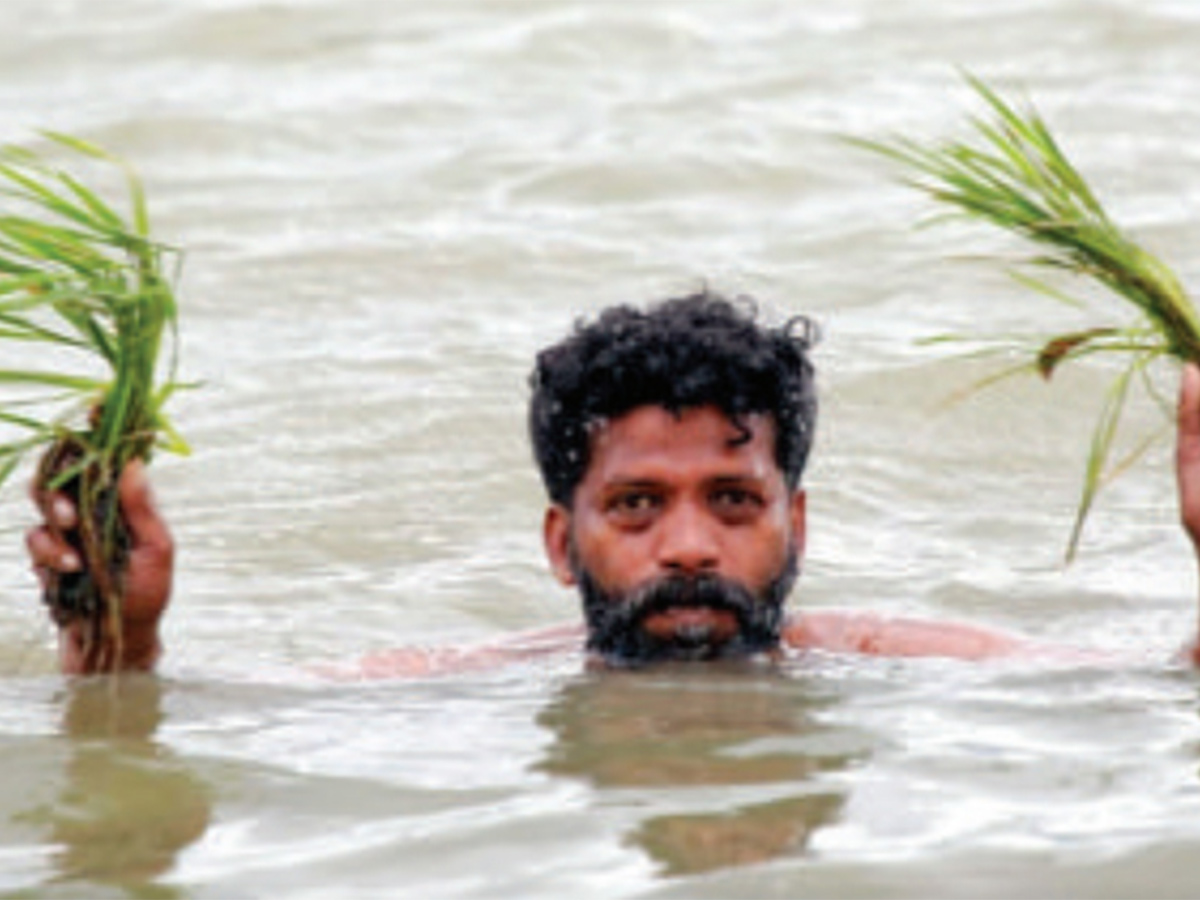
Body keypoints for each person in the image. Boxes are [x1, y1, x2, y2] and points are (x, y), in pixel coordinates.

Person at [25, 291, 1200, 674]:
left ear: (797, 524)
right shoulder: (460, 687)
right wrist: (121, 648)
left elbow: (1162, 698)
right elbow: (178, 743)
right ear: (560, 539)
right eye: (637, 505)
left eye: (733, 502)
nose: (688, 546)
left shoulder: (916, 664)